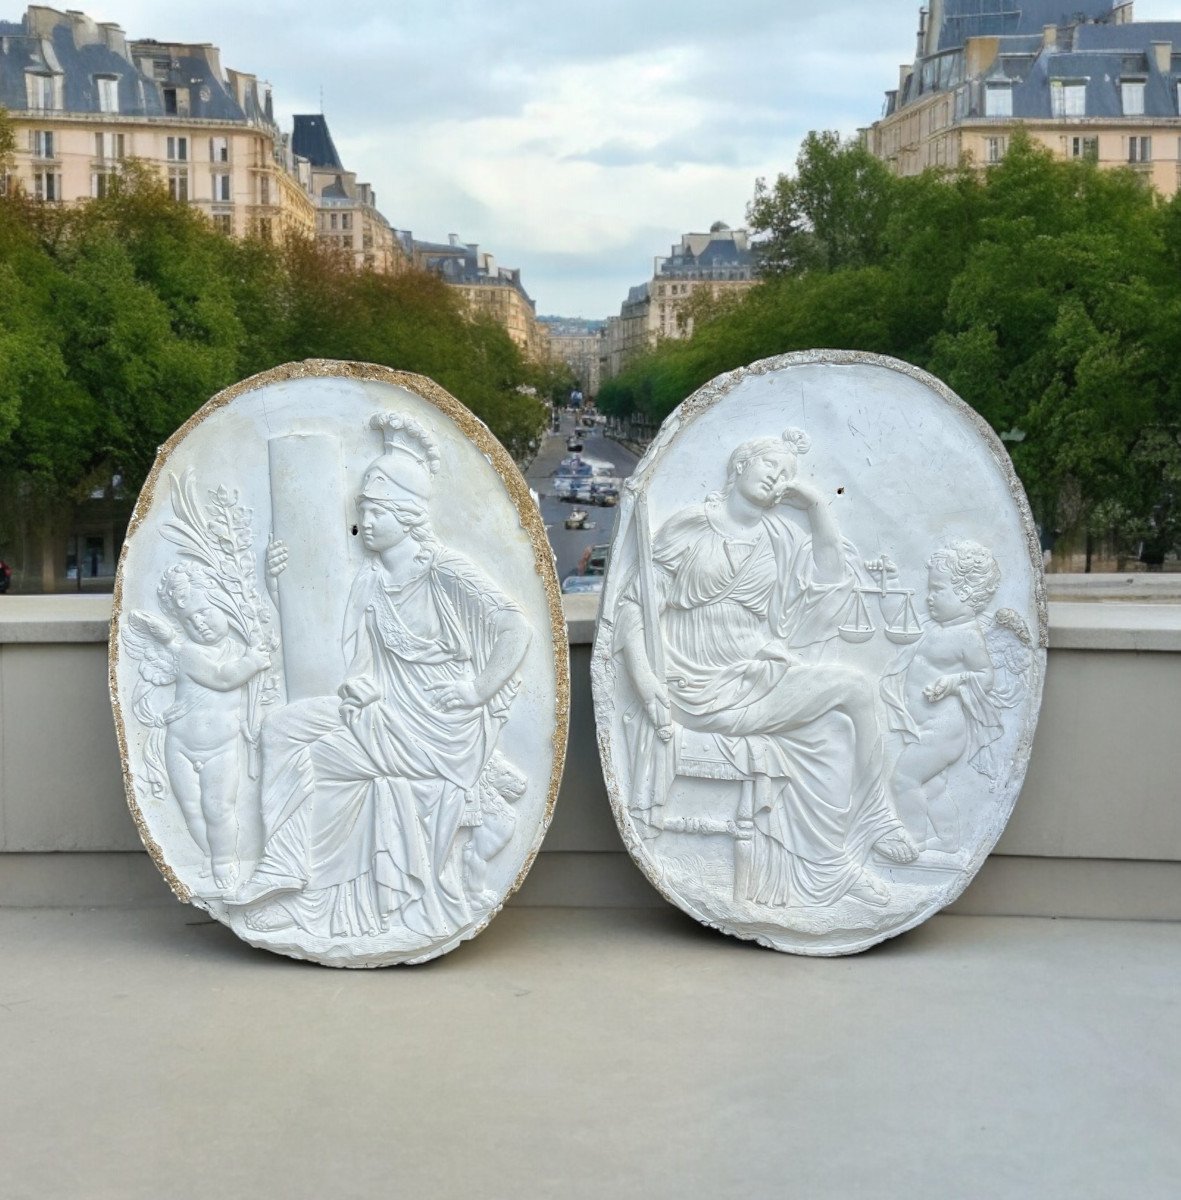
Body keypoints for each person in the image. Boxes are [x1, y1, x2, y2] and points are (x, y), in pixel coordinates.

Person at [231, 413, 531, 941]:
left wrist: (475, 691)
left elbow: (516, 628)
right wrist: (278, 586)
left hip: (439, 731)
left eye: (374, 511)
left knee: (319, 761)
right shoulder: (370, 580)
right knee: (282, 729)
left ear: (407, 515)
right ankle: (281, 873)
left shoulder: (445, 571)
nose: (362, 521)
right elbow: (346, 662)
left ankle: (309, 896)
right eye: (361, 511)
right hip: (387, 712)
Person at [615, 430, 915, 909]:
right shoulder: (690, 527)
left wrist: (816, 506)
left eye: (788, 475)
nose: (779, 477)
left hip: (761, 675)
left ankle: (828, 868)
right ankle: (877, 817)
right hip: (703, 685)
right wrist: (646, 682)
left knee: (833, 736)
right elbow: (634, 607)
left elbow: (831, 581)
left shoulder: (780, 536)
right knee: (856, 688)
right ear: (738, 467)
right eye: (770, 465)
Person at [879, 541, 1002, 853]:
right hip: (924, 727)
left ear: (966, 592)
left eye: (937, 590)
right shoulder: (933, 624)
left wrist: (954, 682)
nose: (929, 597)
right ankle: (948, 841)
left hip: (943, 730)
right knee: (933, 787)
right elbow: (898, 621)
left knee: (904, 780)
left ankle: (913, 840)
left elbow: (986, 676)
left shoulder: (967, 635)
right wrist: (889, 583)